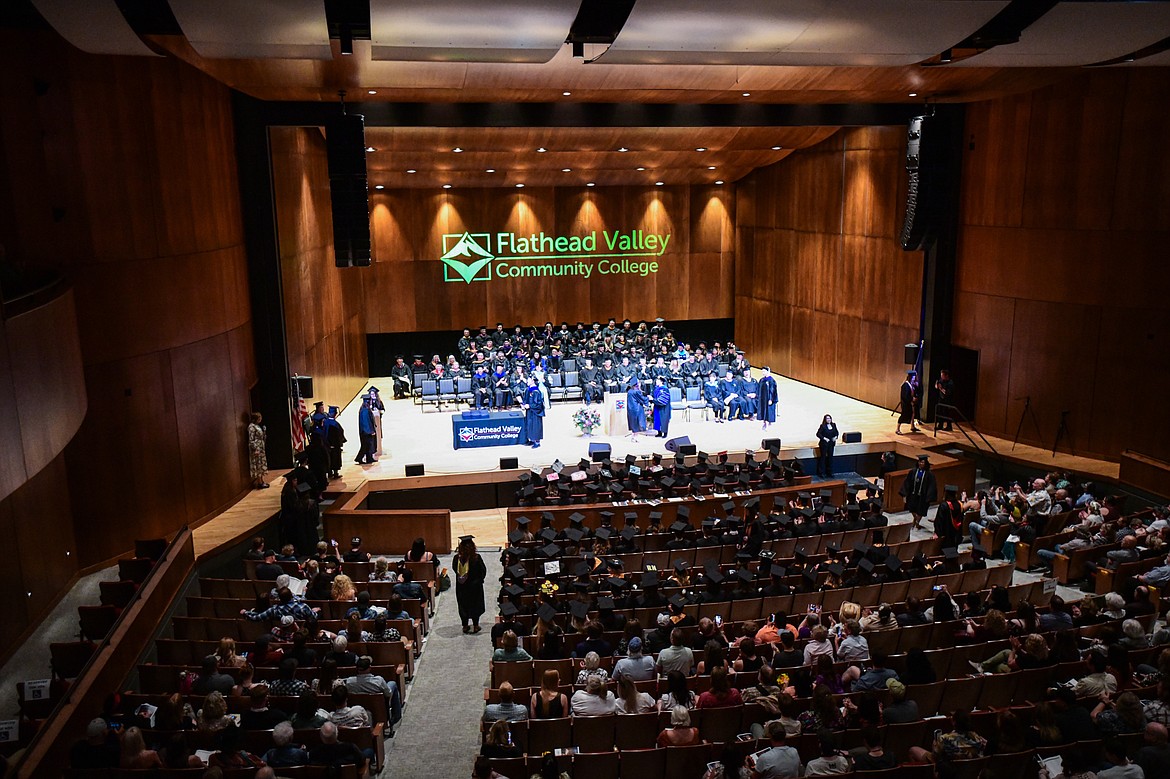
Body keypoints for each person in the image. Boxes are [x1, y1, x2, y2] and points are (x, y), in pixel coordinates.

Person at [455, 535, 488, 634]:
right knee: (475, 605)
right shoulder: (476, 558)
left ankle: (465, 626)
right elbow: (483, 571)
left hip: (462, 587)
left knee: (463, 604)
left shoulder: (457, 558)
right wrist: (480, 580)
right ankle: (476, 625)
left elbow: (454, 569)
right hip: (475, 586)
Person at [899, 454, 937, 530]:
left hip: (923, 495)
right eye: (920, 462)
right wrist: (905, 493)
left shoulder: (929, 474)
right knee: (911, 508)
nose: (921, 463)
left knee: (921, 510)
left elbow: (932, 486)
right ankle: (915, 520)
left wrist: (929, 496)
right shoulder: (913, 471)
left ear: (926, 463)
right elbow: (907, 482)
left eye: (922, 462)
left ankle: (916, 522)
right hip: (913, 494)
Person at [247, 413, 269, 489]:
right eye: (259, 418)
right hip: (256, 449)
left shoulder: (257, 426)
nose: (260, 419)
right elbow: (251, 440)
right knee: (258, 465)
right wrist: (255, 449)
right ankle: (259, 482)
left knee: (261, 465)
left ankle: (262, 481)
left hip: (261, 448)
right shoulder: (251, 427)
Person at [323, 406, 345, 480]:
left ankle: (329, 473)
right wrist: (340, 443)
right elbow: (339, 434)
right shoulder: (335, 424)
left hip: (327, 445)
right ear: (335, 414)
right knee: (335, 459)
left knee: (329, 459)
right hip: (335, 445)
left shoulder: (325, 422)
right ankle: (335, 473)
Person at [523, 376, 545, 448]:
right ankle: (532, 440)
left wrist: (529, 406)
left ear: (532, 381)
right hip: (530, 411)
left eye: (528, 380)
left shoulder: (536, 392)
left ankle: (537, 442)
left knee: (535, 426)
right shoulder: (528, 389)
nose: (527, 381)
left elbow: (538, 404)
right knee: (529, 425)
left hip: (535, 412)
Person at [354, 394, 376, 464]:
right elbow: (366, 422)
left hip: (365, 431)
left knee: (368, 446)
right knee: (365, 446)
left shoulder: (364, 409)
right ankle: (359, 458)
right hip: (365, 432)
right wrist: (370, 431)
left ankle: (369, 458)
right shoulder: (365, 411)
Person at [896, 370, 919, 435]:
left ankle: (912, 426)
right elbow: (905, 395)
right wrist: (912, 399)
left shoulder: (911, 385)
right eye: (914, 377)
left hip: (910, 403)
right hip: (906, 403)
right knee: (903, 415)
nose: (915, 379)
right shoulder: (905, 385)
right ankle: (897, 429)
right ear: (911, 377)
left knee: (913, 414)